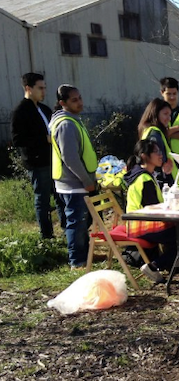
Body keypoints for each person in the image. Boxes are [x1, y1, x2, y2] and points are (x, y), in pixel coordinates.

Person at [124, 140, 179, 288]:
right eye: (156, 152)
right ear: (144, 156)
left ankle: (158, 265)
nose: (161, 155)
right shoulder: (144, 179)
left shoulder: (147, 175)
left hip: (141, 221)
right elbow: (154, 211)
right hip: (140, 224)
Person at [49, 84, 98, 269]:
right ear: (63, 103)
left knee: (81, 221)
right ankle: (77, 261)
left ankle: (84, 254)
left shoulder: (72, 120)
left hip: (75, 182)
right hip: (73, 183)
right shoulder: (66, 124)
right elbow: (70, 157)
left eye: (80, 98)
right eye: (74, 100)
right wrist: (86, 180)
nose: (79, 102)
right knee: (76, 223)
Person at [11, 72, 65, 239]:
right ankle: (47, 236)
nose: (44, 92)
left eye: (45, 88)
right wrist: (43, 139)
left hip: (53, 160)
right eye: (40, 88)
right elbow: (17, 139)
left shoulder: (44, 109)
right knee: (42, 200)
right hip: (37, 163)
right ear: (28, 88)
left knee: (60, 196)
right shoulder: (20, 111)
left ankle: (66, 231)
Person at [138, 98, 179, 188]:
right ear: (155, 114)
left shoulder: (147, 130)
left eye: (170, 115)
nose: (168, 119)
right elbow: (159, 162)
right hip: (163, 181)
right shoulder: (155, 134)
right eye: (165, 114)